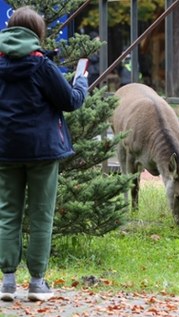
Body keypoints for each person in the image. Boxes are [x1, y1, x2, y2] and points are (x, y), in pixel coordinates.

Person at [0, 6, 88, 302]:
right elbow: (71, 101)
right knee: (41, 215)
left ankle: (7, 282)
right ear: (37, 33)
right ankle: (37, 284)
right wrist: (82, 81)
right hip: (42, 152)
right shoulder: (41, 65)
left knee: (7, 213)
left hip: (4, 151)